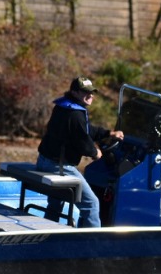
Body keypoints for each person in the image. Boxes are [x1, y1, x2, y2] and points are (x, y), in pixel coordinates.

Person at [35, 76, 123, 228]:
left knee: (57, 200)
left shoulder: (64, 107)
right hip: (59, 167)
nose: (90, 96)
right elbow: (83, 143)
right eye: (85, 92)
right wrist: (95, 153)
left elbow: (85, 131)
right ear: (74, 92)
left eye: (92, 92)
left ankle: (48, 231)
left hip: (44, 161)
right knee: (92, 204)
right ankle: (92, 243)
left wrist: (108, 133)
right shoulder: (75, 114)